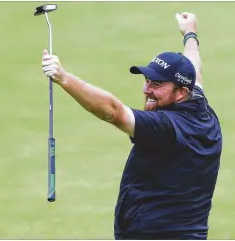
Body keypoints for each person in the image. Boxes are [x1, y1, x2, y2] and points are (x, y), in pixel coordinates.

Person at [41, 12, 222, 240]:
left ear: (181, 92)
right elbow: (195, 71)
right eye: (147, 80)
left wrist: (64, 78)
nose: (147, 90)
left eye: (156, 84)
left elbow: (113, 111)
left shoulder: (167, 127)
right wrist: (190, 34)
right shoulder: (199, 106)